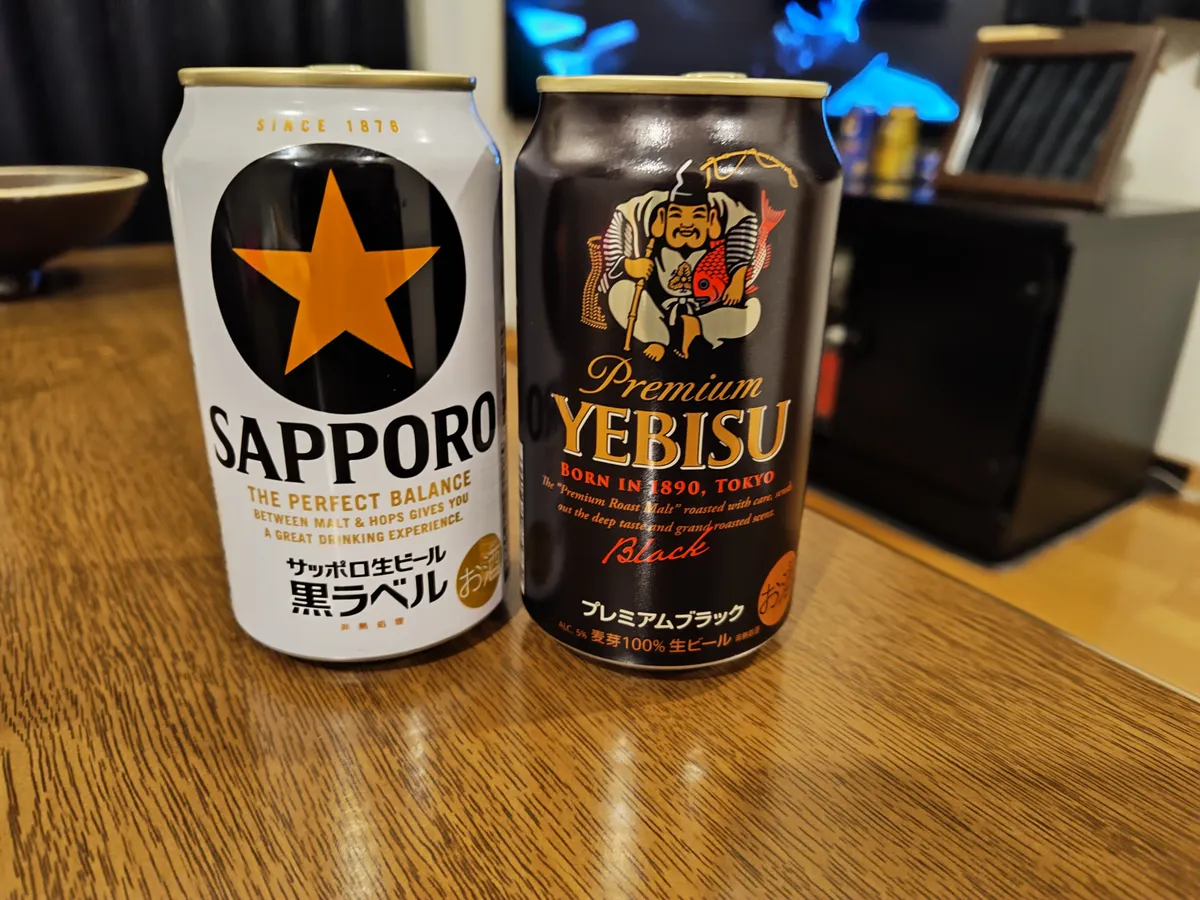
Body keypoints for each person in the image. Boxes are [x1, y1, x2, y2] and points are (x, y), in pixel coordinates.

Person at [600, 160, 761, 360]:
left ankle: (697, 326)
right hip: (655, 312)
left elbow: (746, 223)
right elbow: (618, 228)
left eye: (697, 216)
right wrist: (628, 264)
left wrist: (737, 278)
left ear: (711, 219)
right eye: (677, 215)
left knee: (752, 311)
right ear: (663, 217)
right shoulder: (643, 219)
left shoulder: (724, 220)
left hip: (704, 310)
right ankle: (657, 338)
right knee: (620, 292)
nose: (687, 224)